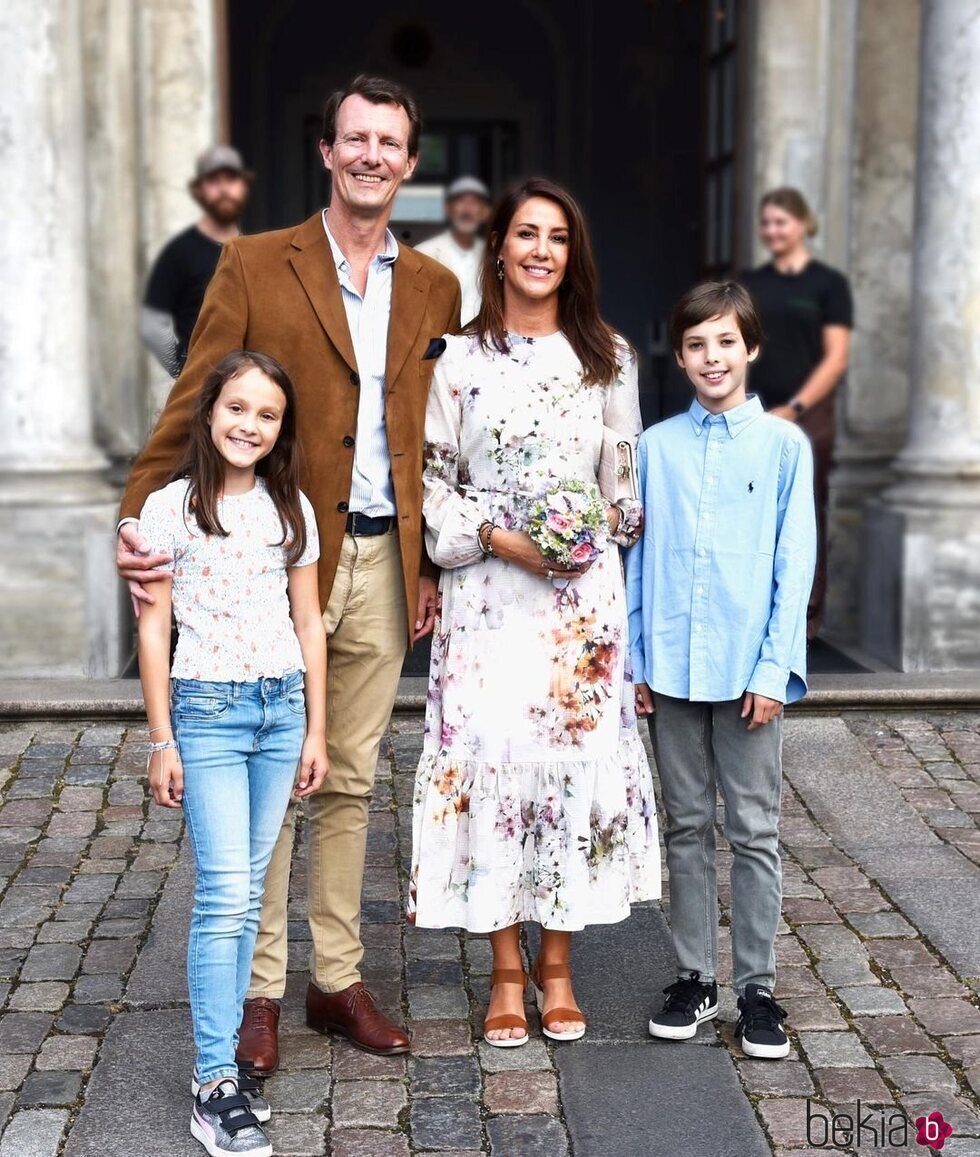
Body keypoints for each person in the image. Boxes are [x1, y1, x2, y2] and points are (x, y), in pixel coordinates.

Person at [117, 74, 462, 1070]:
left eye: (388, 142)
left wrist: (432, 556)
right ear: (327, 151)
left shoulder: (436, 286)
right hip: (273, 565)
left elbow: (436, 437)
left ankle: (334, 976)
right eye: (353, 137)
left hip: (388, 563)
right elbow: (193, 405)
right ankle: (259, 986)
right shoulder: (255, 263)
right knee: (271, 779)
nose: (369, 155)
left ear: (408, 161)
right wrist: (137, 519)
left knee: (348, 778)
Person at [410, 178, 660, 1048]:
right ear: (500, 247)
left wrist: (587, 527)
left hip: (580, 611)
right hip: (486, 595)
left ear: (572, 253)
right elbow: (430, 482)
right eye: (526, 233)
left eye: (557, 236)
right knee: (490, 762)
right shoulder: (458, 358)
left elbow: (624, 494)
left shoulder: (610, 357)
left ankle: (557, 962)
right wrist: (501, 536)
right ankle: (505, 973)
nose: (541, 250)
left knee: (567, 767)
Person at [137, 350, 328, 1156]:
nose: (249, 424)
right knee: (222, 896)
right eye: (237, 407)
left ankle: (223, 1072)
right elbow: (152, 626)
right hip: (208, 714)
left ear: (281, 429)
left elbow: (310, 622)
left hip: (280, 710)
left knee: (250, 893)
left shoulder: (293, 510)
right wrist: (161, 739)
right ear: (209, 411)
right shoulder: (166, 508)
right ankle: (215, 1083)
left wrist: (316, 727)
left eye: (267, 414)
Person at [626, 281, 816, 1060]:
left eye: (726, 343)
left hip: (748, 673)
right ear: (682, 355)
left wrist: (775, 667)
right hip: (670, 664)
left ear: (751, 348)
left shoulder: (781, 447)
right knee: (686, 824)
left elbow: (794, 562)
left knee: (754, 826)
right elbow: (635, 560)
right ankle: (695, 974)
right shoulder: (655, 448)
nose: (712, 358)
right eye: (697, 344)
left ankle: (757, 987)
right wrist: (635, 657)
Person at [739, 188, 852, 638]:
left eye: (781, 222)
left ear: (804, 223)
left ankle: (807, 615)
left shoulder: (827, 285)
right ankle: (755, 608)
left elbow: (836, 357)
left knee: (809, 506)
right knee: (752, 504)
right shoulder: (751, 283)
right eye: (766, 222)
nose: (772, 231)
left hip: (810, 412)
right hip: (755, 409)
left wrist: (798, 407)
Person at [141, 146, 254, 379]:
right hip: (200, 386)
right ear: (200, 190)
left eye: (231, 180)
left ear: (243, 186)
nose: (224, 190)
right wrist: (181, 369)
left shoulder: (256, 249)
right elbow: (152, 323)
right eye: (214, 181)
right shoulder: (180, 251)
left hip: (249, 385)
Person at [415, 176, 492, 324]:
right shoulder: (424, 253)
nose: (467, 210)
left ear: (485, 212)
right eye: (461, 201)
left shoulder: (493, 255)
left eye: (475, 203)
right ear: (448, 209)